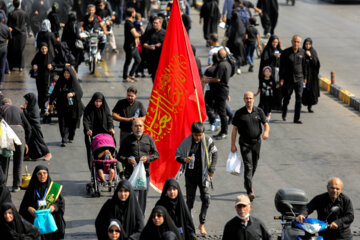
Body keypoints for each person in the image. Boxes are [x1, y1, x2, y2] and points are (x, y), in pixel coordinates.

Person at [175, 122, 218, 235]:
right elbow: (177, 155)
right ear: (192, 133)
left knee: (206, 199)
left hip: (203, 176)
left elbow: (215, 153)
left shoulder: (207, 140)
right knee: (189, 202)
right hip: (190, 177)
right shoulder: (187, 141)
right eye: (196, 135)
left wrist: (211, 169)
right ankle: (189, 226)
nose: (198, 137)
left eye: (200, 135)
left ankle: (202, 223)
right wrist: (184, 159)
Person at [231, 91, 269, 201]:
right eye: (246, 98)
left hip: (256, 142)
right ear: (244, 100)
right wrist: (233, 145)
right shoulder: (239, 113)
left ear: (253, 99)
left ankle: (247, 182)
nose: (248, 100)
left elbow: (266, 125)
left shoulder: (259, 111)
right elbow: (234, 130)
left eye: (250, 98)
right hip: (244, 143)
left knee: (255, 165)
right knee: (249, 166)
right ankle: (250, 190)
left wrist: (266, 132)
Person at [117, 118, 159, 214]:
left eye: (140, 126)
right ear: (132, 128)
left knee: (142, 201)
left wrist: (147, 158)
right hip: (131, 175)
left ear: (144, 127)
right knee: (131, 199)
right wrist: (127, 160)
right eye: (136, 126)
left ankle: (140, 220)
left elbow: (156, 154)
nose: (138, 128)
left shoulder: (148, 139)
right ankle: (130, 219)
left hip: (144, 175)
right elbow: (119, 156)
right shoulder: (127, 140)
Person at [19, 165, 66, 240]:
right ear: (36, 175)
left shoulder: (53, 188)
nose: (42, 176)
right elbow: (24, 205)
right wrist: (30, 209)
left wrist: (54, 207)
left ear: (48, 174)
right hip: (36, 221)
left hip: (50, 221)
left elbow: (60, 203)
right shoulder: (31, 189)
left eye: (45, 173)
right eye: (39, 174)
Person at [0, 98, 31, 192]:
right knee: (18, 160)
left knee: (4, 160)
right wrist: (26, 142)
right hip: (19, 133)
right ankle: (16, 185)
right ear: (10, 103)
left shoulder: (1, 108)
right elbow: (28, 127)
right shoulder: (18, 109)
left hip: (7, 135)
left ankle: (2, 185)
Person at [50, 66, 84, 147]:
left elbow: (80, 92)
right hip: (62, 106)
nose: (66, 75)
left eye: (68, 73)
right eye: (65, 73)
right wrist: (50, 102)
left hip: (73, 107)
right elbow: (55, 92)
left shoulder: (74, 82)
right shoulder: (60, 81)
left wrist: (73, 93)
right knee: (62, 122)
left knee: (72, 123)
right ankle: (64, 138)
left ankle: (70, 136)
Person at [204, 48, 232, 140]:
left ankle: (224, 131)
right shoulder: (228, 63)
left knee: (222, 112)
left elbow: (217, 79)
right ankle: (223, 130)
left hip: (220, 91)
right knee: (222, 111)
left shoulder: (221, 65)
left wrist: (208, 80)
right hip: (223, 90)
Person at [280, 34, 307, 124]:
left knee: (299, 98)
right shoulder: (285, 52)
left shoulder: (302, 52)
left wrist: (305, 77)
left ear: (300, 43)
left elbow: (304, 66)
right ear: (292, 42)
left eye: (298, 42)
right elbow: (282, 67)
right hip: (288, 79)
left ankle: (296, 118)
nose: (296, 43)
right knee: (287, 97)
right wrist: (281, 78)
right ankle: (284, 111)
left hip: (299, 79)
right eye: (294, 41)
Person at [83, 92, 115, 169]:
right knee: (92, 154)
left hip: (105, 135)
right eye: (96, 101)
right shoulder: (88, 110)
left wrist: (111, 128)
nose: (98, 104)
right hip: (92, 134)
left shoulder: (105, 109)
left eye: (100, 102)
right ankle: (93, 172)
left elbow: (109, 119)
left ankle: (109, 168)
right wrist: (88, 130)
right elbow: (86, 121)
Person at [21, 93, 52, 161]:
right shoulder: (30, 106)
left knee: (39, 140)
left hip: (35, 127)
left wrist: (24, 110)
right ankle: (29, 155)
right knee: (31, 142)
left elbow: (30, 117)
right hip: (31, 127)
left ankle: (47, 153)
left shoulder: (34, 108)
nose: (25, 101)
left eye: (26, 100)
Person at [259, 35, 282, 110]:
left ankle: (277, 105)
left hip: (276, 73)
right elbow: (265, 60)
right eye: (273, 42)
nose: (275, 44)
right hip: (267, 73)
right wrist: (273, 56)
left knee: (277, 89)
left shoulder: (278, 49)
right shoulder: (267, 49)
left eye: (276, 42)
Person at [31, 42, 54, 114]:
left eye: (45, 48)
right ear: (40, 49)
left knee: (46, 92)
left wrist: (51, 66)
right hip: (39, 78)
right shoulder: (38, 55)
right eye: (42, 49)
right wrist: (35, 66)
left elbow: (54, 64)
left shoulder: (50, 56)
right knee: (40, 93)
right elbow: (33, 62)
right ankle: (41, 107)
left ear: (47, 49)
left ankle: (46, 107)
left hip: (48, 78)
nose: (44, 50)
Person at [142, 16, 166, 82]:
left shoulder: (165, 33)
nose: (154, 24)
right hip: (152, 58)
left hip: (162, 58)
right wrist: (149, 47)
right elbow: (144, 43)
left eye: (156, 23)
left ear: (160, 24)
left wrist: (161, 44)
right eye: (153, 23)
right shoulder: (150, 32)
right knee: (154, 76)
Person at [7, 0, 27, 72]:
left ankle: (12, 66)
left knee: (12, 50)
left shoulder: (11, 13)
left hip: (14, 34)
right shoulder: (24, 13)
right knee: (21, 50)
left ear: (13, 5)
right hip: (22, 34)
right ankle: (20, 67)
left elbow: (8, 25)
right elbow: (26, 22)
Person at [302, 38, 320, 113]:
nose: (308, 45)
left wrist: (310, 57)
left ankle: (310, 106)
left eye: (309, 44)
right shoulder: (301, 51)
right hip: (303, 75)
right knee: (302, 90)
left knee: (311, 91)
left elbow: (317, 64)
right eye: (306, 44)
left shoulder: (313, 52)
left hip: (312, 76)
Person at [122, 8, 141, 82]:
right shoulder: (129, 23)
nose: (135, 14)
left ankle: (131, 74)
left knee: (137, 60)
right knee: (130, 61)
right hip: (130, 46)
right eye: (134, 12)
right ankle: (125, 77)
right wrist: (141, 34)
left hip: (131, 45)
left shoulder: (130, 22)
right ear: (132, 14)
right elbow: (135, 34)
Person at [0, 12, 10, 88]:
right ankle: (0, 82)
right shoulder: (6, 28)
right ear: (3, 20)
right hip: (3, 48)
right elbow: (10, 37)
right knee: (2, 65)